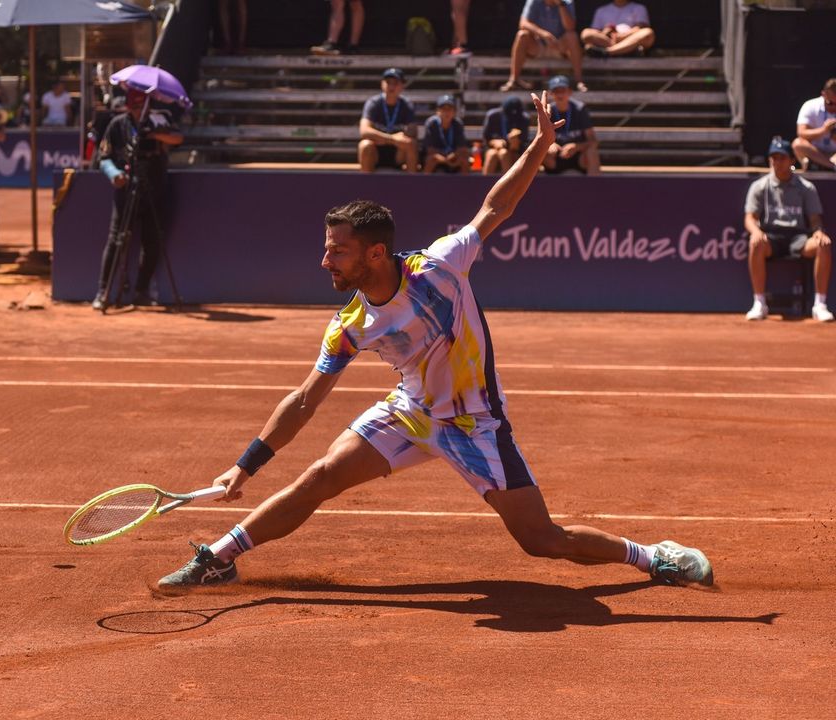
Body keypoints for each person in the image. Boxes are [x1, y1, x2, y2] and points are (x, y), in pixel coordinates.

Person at [156, 90, 714, 593]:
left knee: (543, 540)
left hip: (474, 422)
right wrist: (245, 466)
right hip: (411, 412)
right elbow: (304, 400)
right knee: (320, 477)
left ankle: (652, 556)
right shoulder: (350, 324)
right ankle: (220, 558)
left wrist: (540, 145)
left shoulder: (439, 267)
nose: (325, 260)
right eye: (327, 249)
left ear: (376, 253)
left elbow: (497, 207)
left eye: (338, 250)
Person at [92, 86, 184, 310]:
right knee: (117, 239)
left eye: (142, 105)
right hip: (127, 189)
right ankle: (103, 292)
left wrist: (155, 135)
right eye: (134, 106)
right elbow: (103, 157)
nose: (139, 110)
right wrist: (114, 174)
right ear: (128, 106)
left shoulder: (160, 119)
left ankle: (141, 291)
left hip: (155, 188)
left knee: (153, 242)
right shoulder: (117, 125)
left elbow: (177, 138)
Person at [744, 137, 833, 322]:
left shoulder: (806, 187)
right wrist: (757, 232)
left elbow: (815, 220)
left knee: (823, 244)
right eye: (774, 158)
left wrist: (818, 232)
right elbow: (750, 218)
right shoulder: (759, 186)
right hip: (771, 237)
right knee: (755, 243)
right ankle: (759, 303)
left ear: (792, 160)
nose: (777, 162)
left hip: (798, 238)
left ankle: (820, 305)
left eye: (782, 158)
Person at [501, 0, 587, 93]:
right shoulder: (533, 1)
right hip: (538, 46)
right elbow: (523, 23)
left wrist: (561, 5)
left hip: (559, 46)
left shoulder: (567, 2)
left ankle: (579, 81)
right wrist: (543, 34)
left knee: (572, 36)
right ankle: (514, 80)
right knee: (522, 35)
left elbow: (570, 27)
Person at [358, 68, 419, 173]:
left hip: (397, 153)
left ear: (402, 86)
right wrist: (391, 138)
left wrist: (383, 138)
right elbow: (364, 131)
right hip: (376, 151)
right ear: (382, 84)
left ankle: (412, 182)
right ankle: (365, 182)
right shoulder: (373, 103)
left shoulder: (406, 104)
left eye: (395, 83)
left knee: (411, 144)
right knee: (365, 145)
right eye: (388, 82)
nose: (391, 86)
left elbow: (413, 131)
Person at [542, 74, 600, 175]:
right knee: (540, 152)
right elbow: (540, 139)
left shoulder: (580, 109)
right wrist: (550, 145)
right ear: (551, 93)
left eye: (563, 91)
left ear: (569, 92)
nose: (560, 95)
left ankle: (594, 184)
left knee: (592, 152)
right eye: (556, 91)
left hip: (578, 157)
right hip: (555, 158)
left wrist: (576, 147)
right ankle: (535, 184)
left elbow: (593, 142)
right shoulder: (547, 111)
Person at [580, 0, 655, 57]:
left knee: (647, 32)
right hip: (608, 41)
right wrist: (606, 32)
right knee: (586, 33)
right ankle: (624, 51)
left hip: (630, 39)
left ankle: (608, 52)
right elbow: (595, 31)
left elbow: (641, 27)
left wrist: (624, 36)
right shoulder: (601, 10)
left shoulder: (639, 8)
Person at [791, 78, 836, 173]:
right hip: (815, 153)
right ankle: (831, 166)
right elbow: (801, 133)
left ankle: (824, 166)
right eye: (830, 103)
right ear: (823, 94)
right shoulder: (810, 105)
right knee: (798, 144)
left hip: (834, 155)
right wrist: (824, 130)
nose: (834, 107)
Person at [482, 95, 530, 175]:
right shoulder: (493, 116)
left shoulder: (523, 118)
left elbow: (522, 143)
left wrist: (514, 141)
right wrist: (494, 142)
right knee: (492, 154)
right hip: (493, 148)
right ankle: (484, 182)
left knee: (504, 153)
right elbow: (487, 138)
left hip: (514, 152)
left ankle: (509, 183)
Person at [422, 94, 470, 174]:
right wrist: (444, 159)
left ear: (454, 112)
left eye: (449, 109)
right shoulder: (431, 124)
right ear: (438, 111)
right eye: (443, 109)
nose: (446, 112)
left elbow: (462, 148)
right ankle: (423, 182)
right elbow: (430, 149)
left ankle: (467, 182)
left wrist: (453, 156)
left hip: (453, 158)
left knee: (464, 160)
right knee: (431, 159)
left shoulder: (458, 124)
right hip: (438, 157)